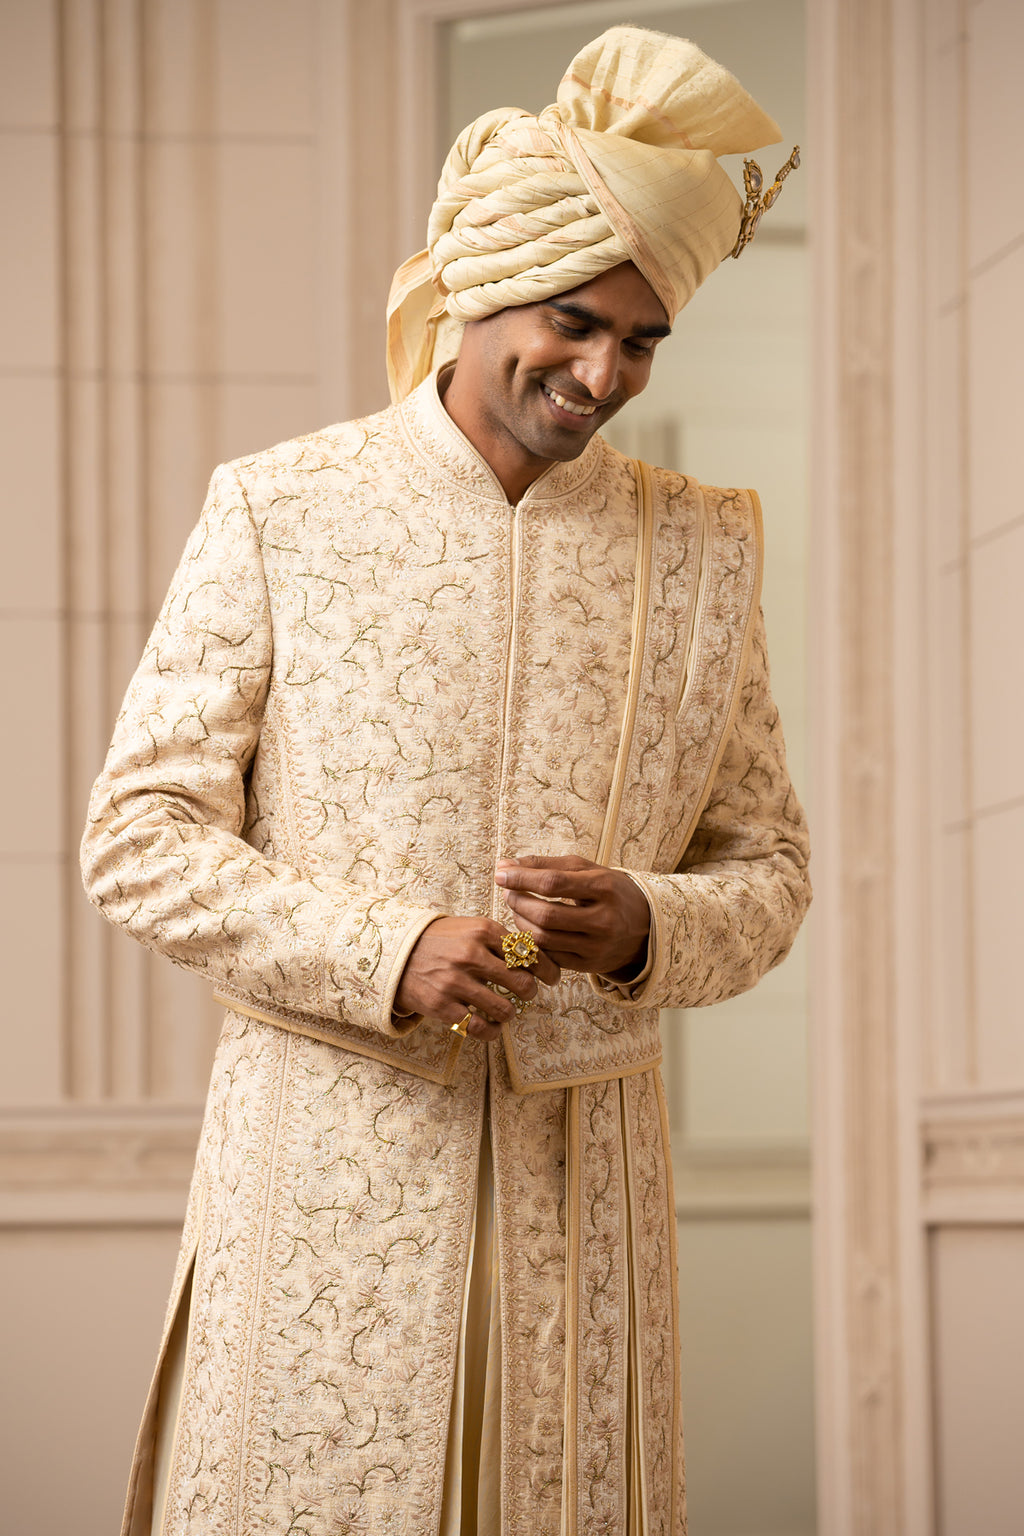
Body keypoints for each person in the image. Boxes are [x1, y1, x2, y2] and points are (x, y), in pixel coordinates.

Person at [81, 26, 810, 1536]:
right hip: (325, 1173)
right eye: (574, 321)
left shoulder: (705, 544)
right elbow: (138, 835)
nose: (603, 373)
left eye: (644, 340)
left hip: (585, 1194)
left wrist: (647, 925)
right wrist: (385, 951)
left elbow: (770, 872)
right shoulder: (285, 508)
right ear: (478, 287)